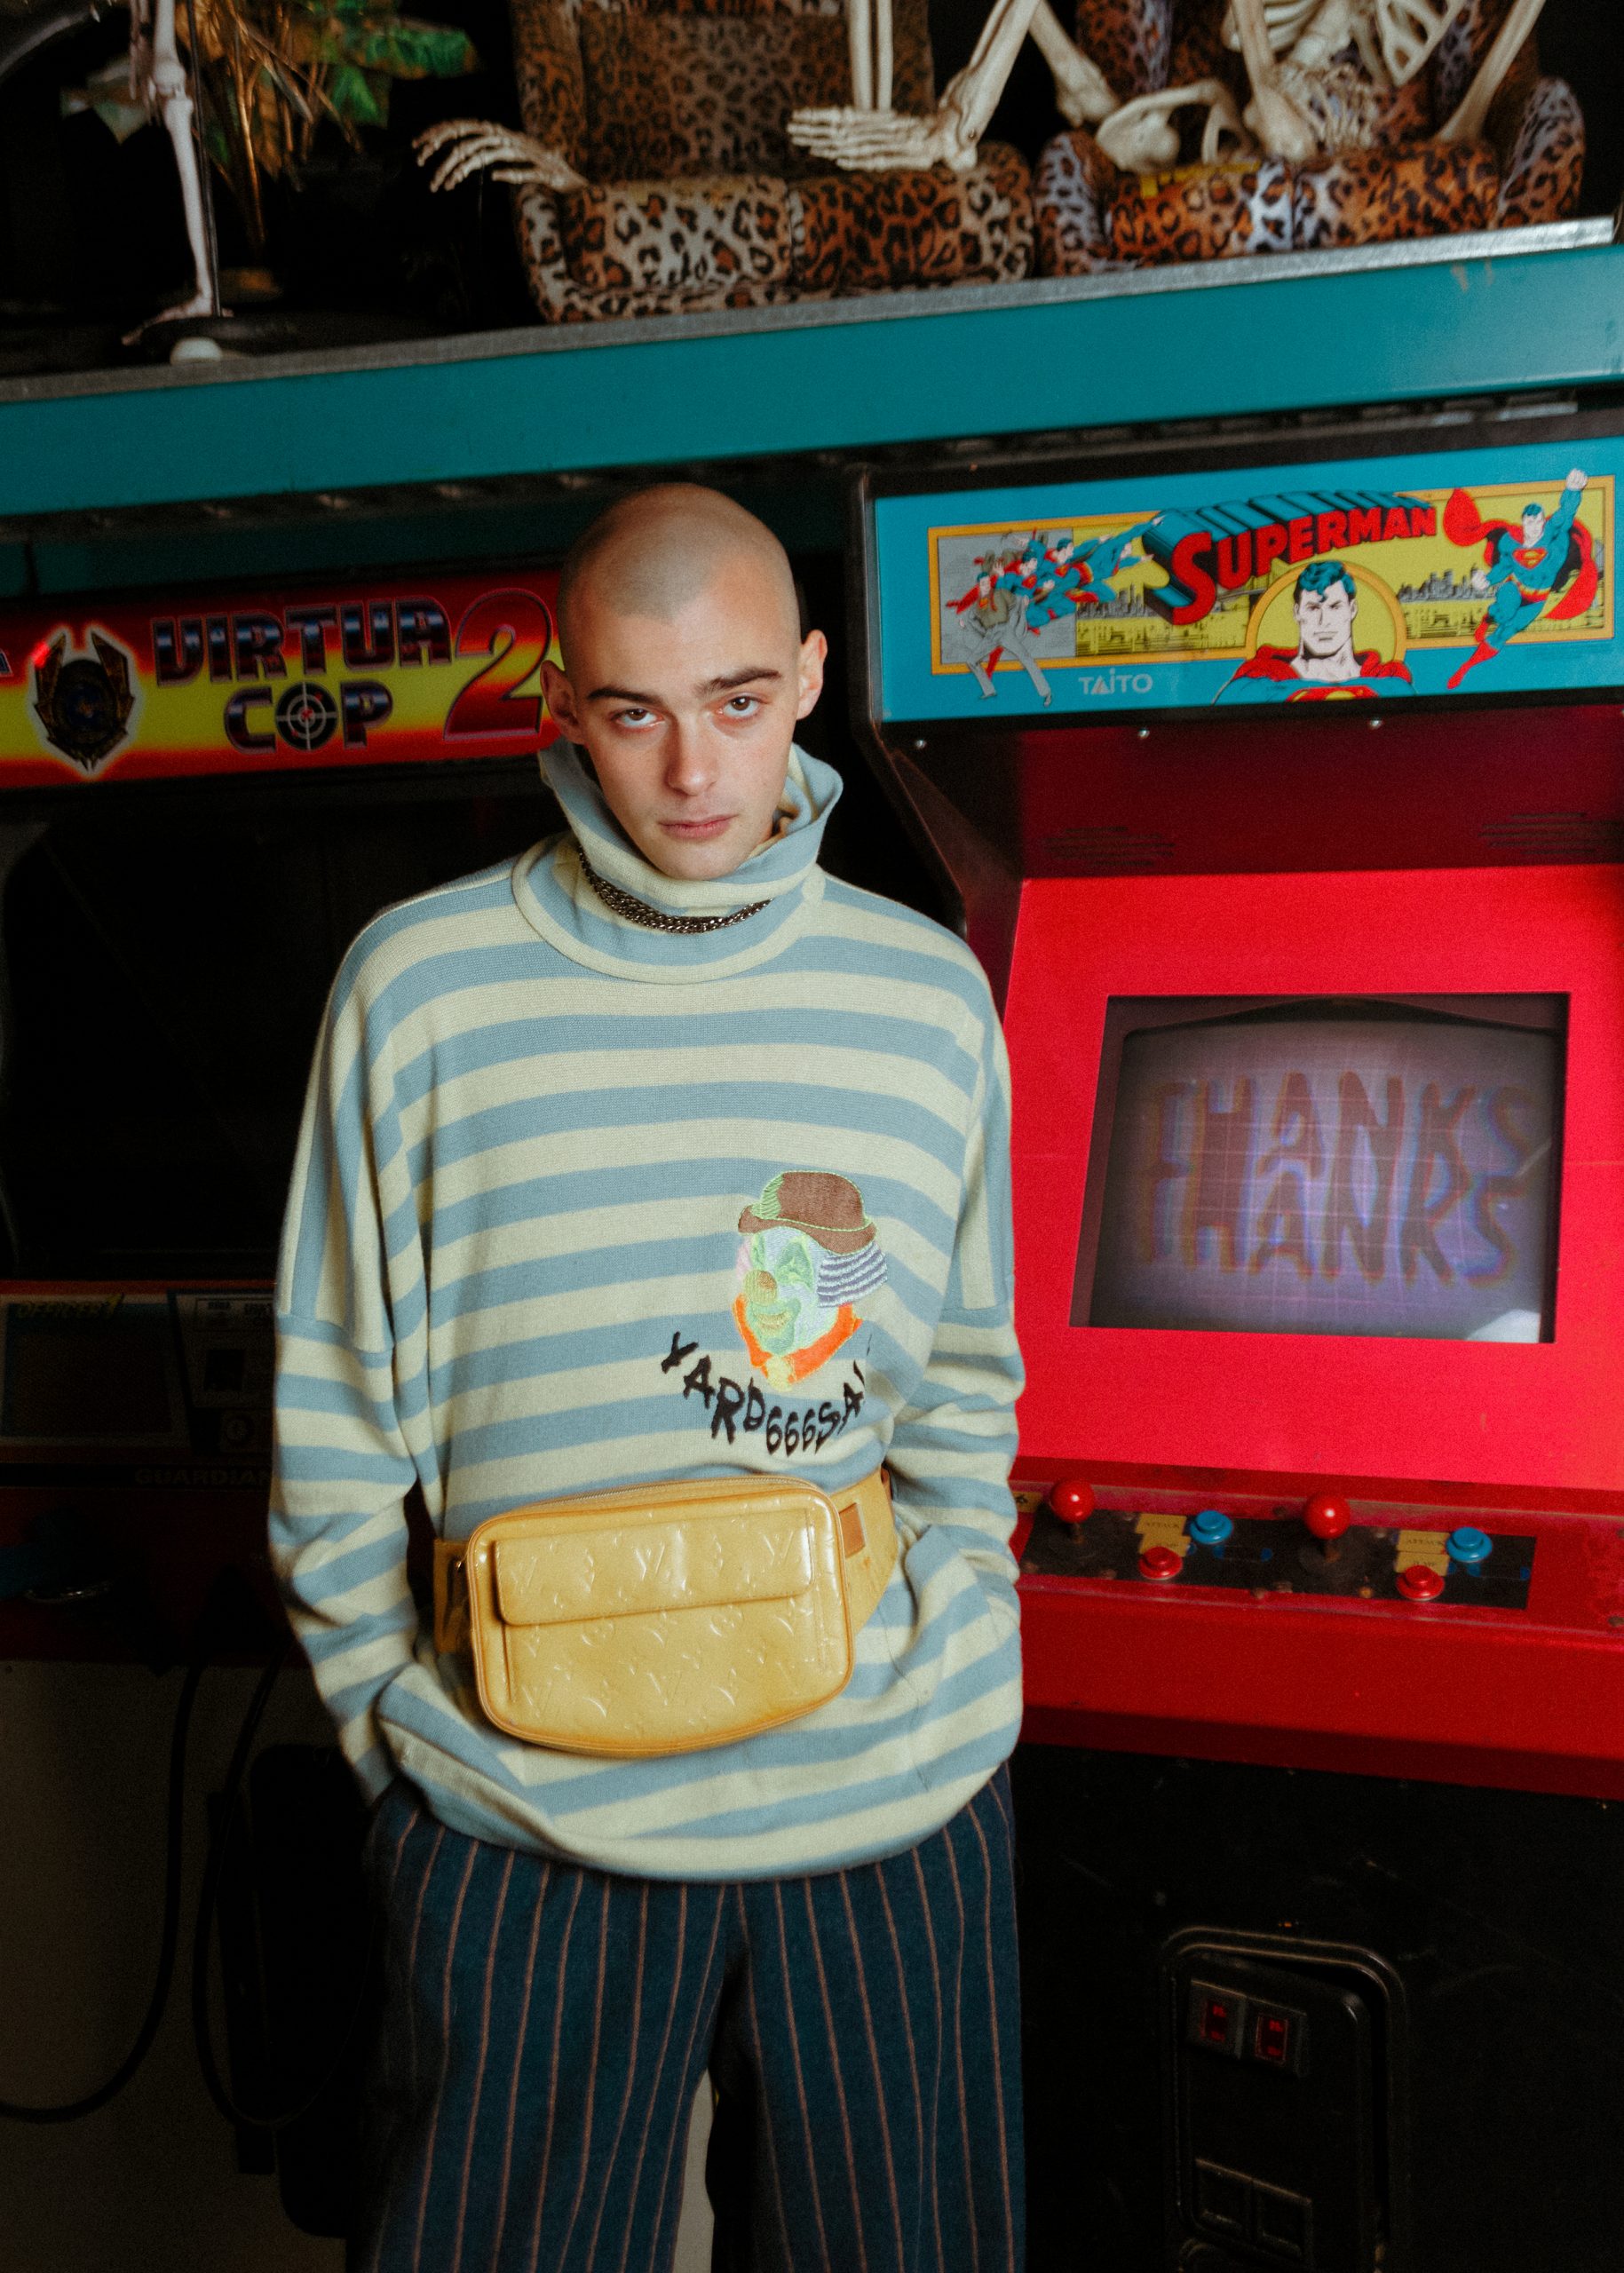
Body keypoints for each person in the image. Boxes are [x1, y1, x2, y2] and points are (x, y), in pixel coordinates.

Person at [271, 483, 1026, 2273]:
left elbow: (959, 1385)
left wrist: (962, 1637)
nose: (693, 770)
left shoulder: (924, 996)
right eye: (632, 711)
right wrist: (396, 1735)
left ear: (813, 679)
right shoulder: (416, 989)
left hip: (883, 1793)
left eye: (739, 702)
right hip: (517, 1809)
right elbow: (331, 1411)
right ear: (560, 699)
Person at [1216, 558, 1414, 703]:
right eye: (1313, 608)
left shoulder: (1391, 686)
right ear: (1297, 612)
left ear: (1352, 610)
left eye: (1334, 607)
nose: (1323, 621)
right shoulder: (1253, 686)